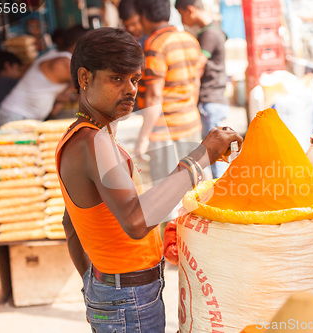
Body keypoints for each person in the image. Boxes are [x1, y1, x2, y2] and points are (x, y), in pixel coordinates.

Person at [56, 27, 242, 332]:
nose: (130, 89)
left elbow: (70, 221)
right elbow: (136, 221)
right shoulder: (94, 143)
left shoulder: (79, 138)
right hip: (128, 299)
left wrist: (94, 281)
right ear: (84, 78)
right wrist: (202, 156)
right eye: (116, 78)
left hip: (115, 292)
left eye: (134, 80)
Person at [134, 0, 203, 189]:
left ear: (144, 17)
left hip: (166, 131)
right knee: (192, 189)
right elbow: (196, 83)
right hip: (191, 124)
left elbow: (154, 94)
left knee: (167, 195)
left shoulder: (156, 45)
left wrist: (143, 138)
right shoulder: (189, 39)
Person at [175, 0, 230, 178]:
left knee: (215, 156)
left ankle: (221, 199)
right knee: (215, 155)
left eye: (182, 15)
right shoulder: (213, 30)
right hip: (214, 99)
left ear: (189, 10)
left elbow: (198, 67)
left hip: (210, 99)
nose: (183, 21)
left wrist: (189, 96)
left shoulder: (209, 34)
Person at [0, 25, 87, 125]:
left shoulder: (55, 54)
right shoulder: (64, 63)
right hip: (17, 116)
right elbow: (89, 89)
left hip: (24, 116)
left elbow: (60, 95)